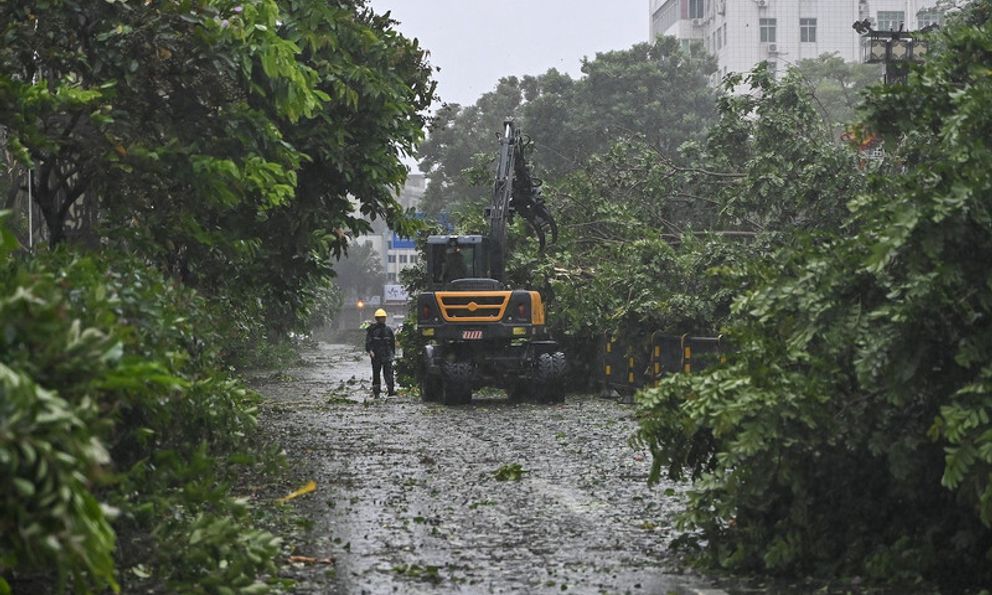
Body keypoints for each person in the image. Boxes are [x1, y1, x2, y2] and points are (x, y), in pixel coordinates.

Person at [365, 308, 396, 397]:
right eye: (380, 317)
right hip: (376, 356)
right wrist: (370, 351)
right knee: (376, 374)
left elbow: (392, 344)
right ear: (377, 318)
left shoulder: (388, 330)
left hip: (387, 356)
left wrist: (392, 355)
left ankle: (391, 391)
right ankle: (376, 392)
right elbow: (368, 343)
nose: (382, 319)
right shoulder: (372, 330)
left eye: (383, 317)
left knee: (389, 374)